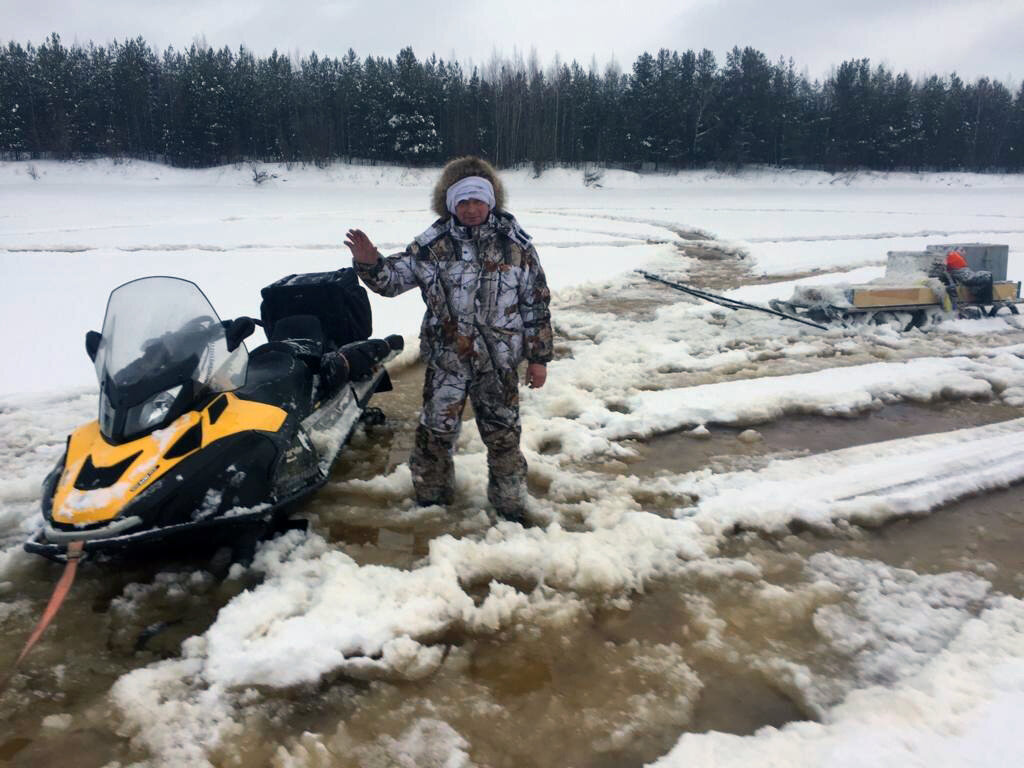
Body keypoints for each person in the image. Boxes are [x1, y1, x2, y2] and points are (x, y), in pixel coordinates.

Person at [344, 156, 553, 524]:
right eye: (463, 202)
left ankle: (510, 507)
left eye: (478, 201)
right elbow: (391, 281)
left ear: (491, 202)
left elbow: (535, 304)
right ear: (450, 203)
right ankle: (431, 504)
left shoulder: (516, 246)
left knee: (503, 436)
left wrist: (539, 358)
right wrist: (370, 263)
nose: (471, 209)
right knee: (435, 433)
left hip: (498, 364)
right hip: (448, 363)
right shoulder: (432, 246)